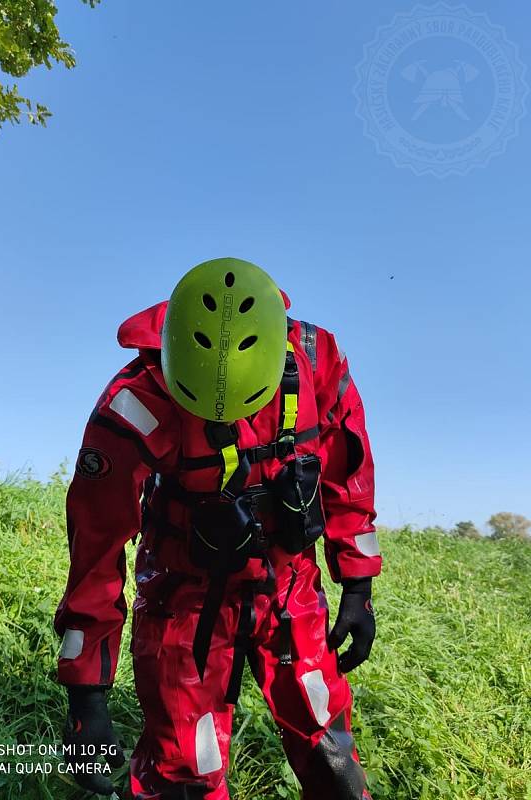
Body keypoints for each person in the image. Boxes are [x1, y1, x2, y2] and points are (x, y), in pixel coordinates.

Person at [54, 257, 382, 800]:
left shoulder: (318, 359)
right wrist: (86, 696)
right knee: (187, 765)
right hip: (186, 598)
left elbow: (348, 470)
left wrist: (358, 583)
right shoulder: (134, 403)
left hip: (288, 584)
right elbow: (97, 543)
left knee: (330, 746)